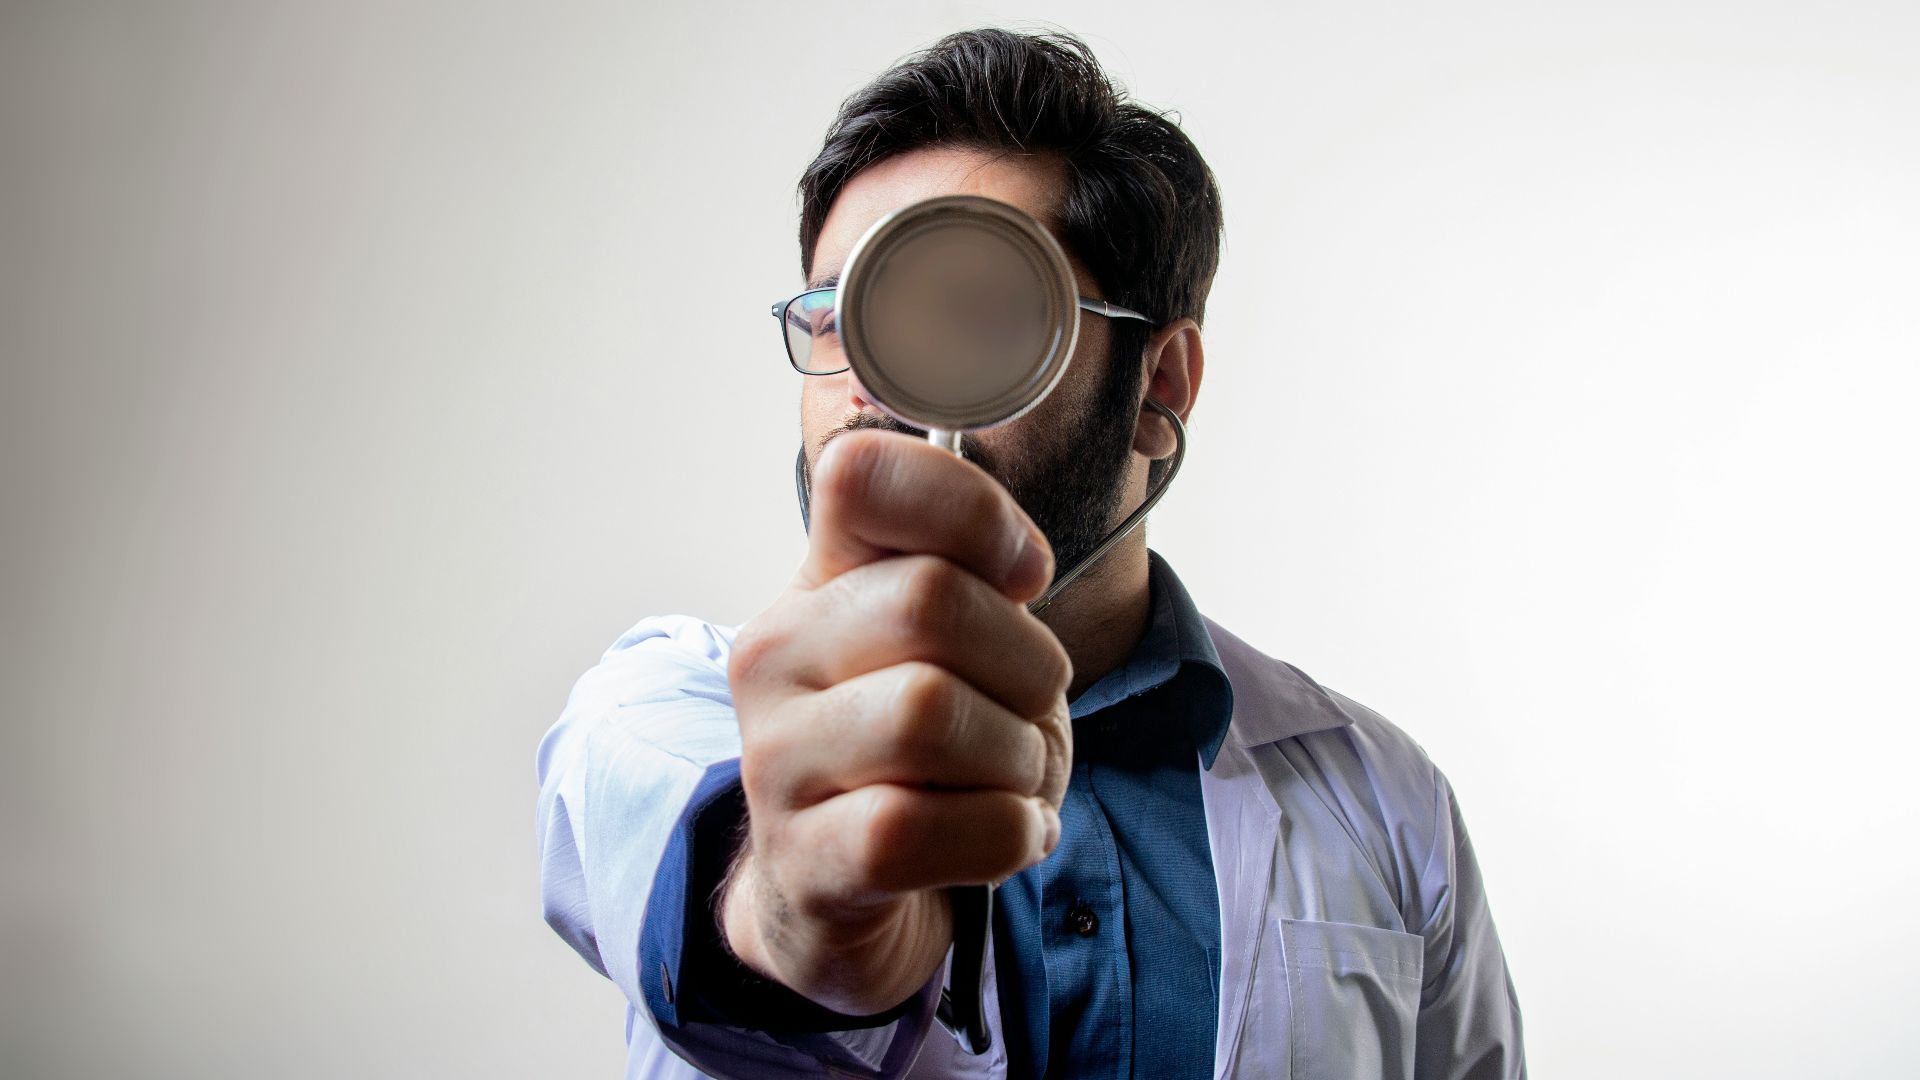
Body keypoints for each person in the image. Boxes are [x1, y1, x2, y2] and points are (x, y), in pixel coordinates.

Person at [537, 27, 1525, 1080]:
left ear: (1160, 387)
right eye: (837, 317)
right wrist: (797, 909)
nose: (875, 378)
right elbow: (729, 900)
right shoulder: (656, 711)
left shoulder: (1384, 802)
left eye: (974, 305)